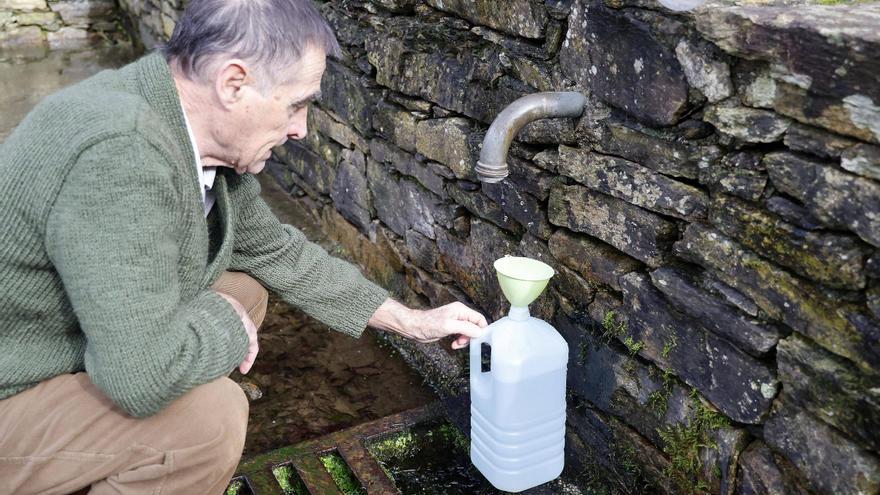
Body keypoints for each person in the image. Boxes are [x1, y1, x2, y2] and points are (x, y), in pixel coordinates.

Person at [0, 0, 488, 493]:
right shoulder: (120, 155)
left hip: (52, 342)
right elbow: (141, 379)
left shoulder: (180, 123)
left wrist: (411, 321)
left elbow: (278, 252)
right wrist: (223, 324)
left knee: (244, 290)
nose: (301, 128)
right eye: (297, 103)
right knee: (209, 424)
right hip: (12, 384)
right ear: (234, 84)